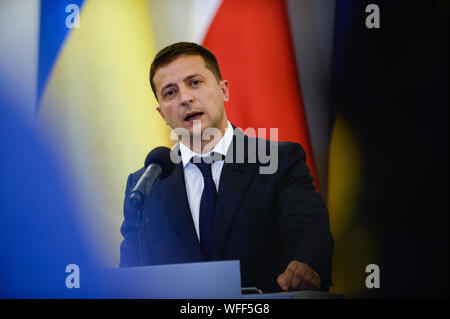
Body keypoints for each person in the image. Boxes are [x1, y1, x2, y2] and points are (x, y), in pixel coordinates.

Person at [119, 42, 334, 292]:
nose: (185, 98)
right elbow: (129, 279)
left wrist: (307, 265)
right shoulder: (145, 186)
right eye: (170, 92)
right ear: (162, 114)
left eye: (195, 82)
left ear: (224, 90)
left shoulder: (278, 161)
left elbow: (310, 233)